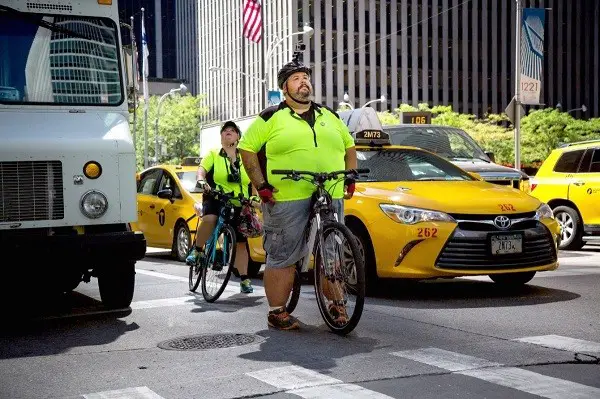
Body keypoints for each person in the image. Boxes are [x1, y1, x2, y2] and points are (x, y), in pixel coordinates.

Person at [238, 58, 358, 330]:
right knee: (283, 254)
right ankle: (277, 312)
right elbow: (247, 150)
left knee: (333, 252)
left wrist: (350, 176)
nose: (304, 81)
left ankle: (338, 304)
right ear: (284, 88)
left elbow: (349, 148)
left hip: (330, 191)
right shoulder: (271, 116)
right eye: (296, 78)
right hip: (286, 196)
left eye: (306, 77)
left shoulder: (331, 116)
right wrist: (261, 185)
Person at [186, 121, 256, 294]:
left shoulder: (245, 158)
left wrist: (254, 198)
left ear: (239, 137)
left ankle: (244, 279)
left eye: (232, 131)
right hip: (216, 197)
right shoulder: (213, 154)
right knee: (210, 218)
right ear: (221, 137)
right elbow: (202, 170)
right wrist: (202, 181)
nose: (228, 133)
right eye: (225, 131)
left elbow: (253, 181)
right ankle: (197, 250)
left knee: (240, 242)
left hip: (239, 201)